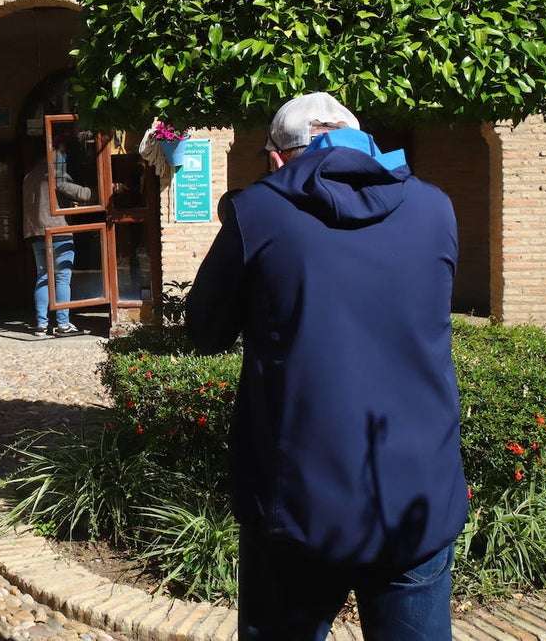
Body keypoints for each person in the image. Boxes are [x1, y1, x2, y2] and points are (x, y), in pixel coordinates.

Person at [184, 92, 468, 641]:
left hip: (297, 499)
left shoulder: (258, 211)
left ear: (276, 156)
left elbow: (206, 330)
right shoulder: (436, 207)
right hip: (415, 490)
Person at [21, 138, 123, 336]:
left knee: (42, 277)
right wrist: (107, 189)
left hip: (35, 233)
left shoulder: (30, 176)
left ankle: (41, 325)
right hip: (57, 232)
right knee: (62, 279)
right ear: (57, 150)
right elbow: (79, 192)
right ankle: (62, 324)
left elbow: (46, 202)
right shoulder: (54, 170)